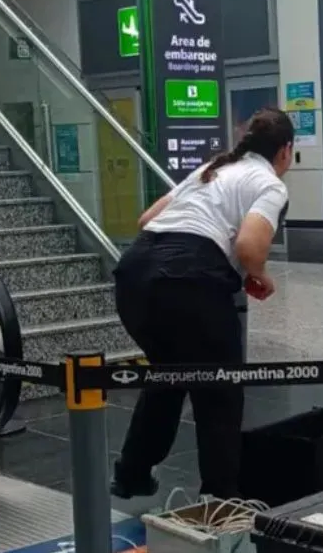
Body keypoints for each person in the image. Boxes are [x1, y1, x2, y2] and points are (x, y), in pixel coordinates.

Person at [110, 107, 294, 499]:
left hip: (135, 274)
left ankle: (131, 474)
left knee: (169, 376)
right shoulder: (270, 184)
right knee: (221, 392)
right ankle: (220, 499)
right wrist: (259, 275)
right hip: (187, 282)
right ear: (286, 151)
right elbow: (249, 246)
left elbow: (147, 220)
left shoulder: (214, 167)